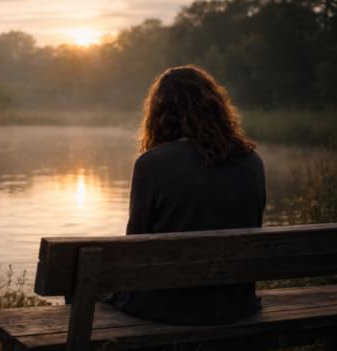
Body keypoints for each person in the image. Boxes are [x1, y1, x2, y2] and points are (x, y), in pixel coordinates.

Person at [107, 65, 266, 325]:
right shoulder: (253, 161)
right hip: (236, 304)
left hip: (167, 308)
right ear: (215, 108)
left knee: (86, 290)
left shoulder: (152, 164)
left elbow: (134, 247)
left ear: (160, 114)